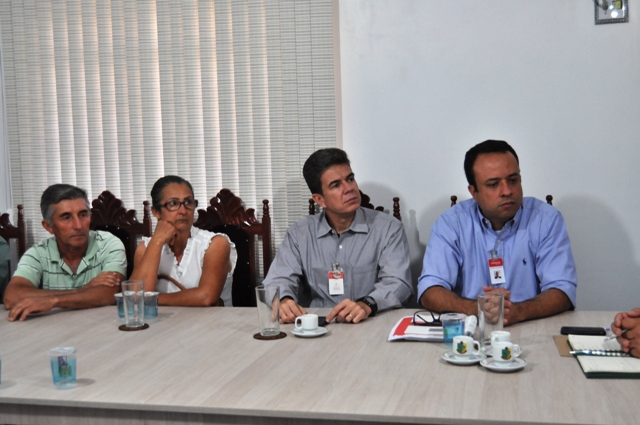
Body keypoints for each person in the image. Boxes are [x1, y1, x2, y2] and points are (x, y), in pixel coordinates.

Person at [418, 140, 577, 326]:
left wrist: (518, 311)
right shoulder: (451, 224)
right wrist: (479, 309)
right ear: (473, 192)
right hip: (471, 330)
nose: (507, 191)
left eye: (513, 180)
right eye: (493, 184)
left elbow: (563, 290)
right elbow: (430, 290)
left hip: (530, 325)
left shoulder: (546, 220)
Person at [263, 148, 412, 324]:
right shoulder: (299, 235)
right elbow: (276, 280)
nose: (349, 189)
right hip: (318, 325)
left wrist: (367, 304)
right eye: (336, 185)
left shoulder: (388, 228)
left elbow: (399, 282)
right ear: (320, 200)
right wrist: (283, 300)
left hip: (370, 322)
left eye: (350, 179)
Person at [3, 184, 127, 321]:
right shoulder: (38, 253)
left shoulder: (108, 244)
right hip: (53, 328)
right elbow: (11, 296)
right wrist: (83, 290)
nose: (78, 225)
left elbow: (108, 294)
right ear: (48, 226)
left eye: (83, 215)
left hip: (99, 325)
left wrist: (54, 300)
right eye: (66, 217)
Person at [130, 176, 236, 307]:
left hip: (211, 319)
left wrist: (150, 299)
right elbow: (134, 297)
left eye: (188, 202)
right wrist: (157, 241)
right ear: (156, 212)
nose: (183, 211)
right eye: (173, 204)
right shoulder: (145, 248)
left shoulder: (215, 243)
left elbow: (206, 297)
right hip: (162, 319)